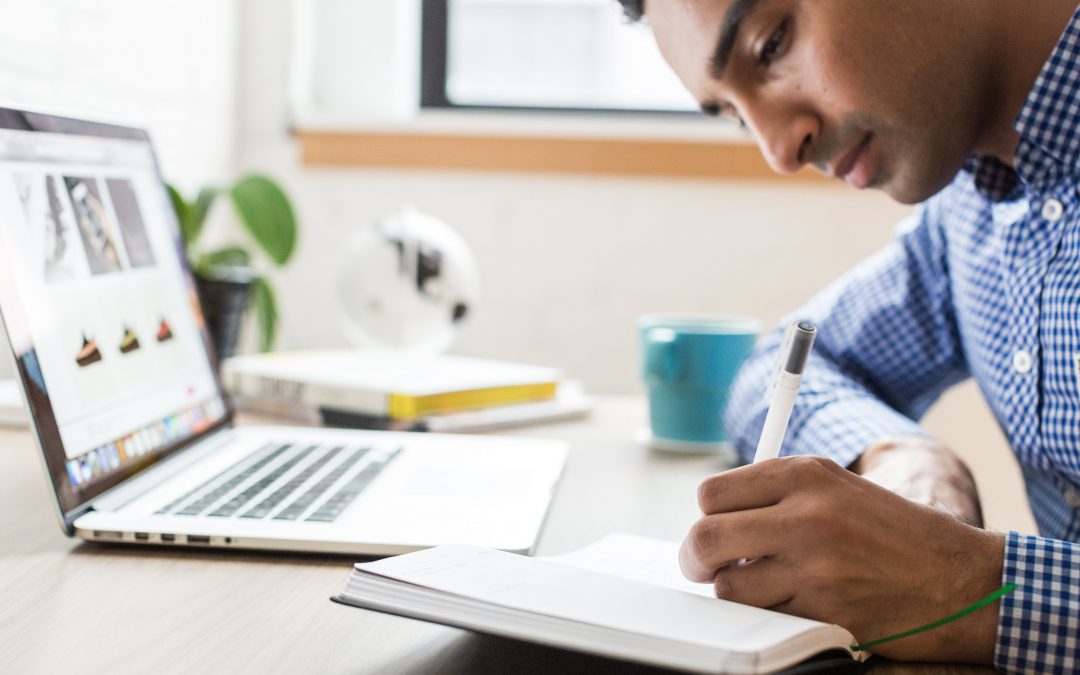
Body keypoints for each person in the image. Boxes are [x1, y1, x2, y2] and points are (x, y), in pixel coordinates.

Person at [615, 0, 1080, 671]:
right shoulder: (971, 210)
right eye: (734, 114)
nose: (777, 149)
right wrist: (904, 457)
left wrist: (968, 585)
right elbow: (779, 364)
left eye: (772, 44)